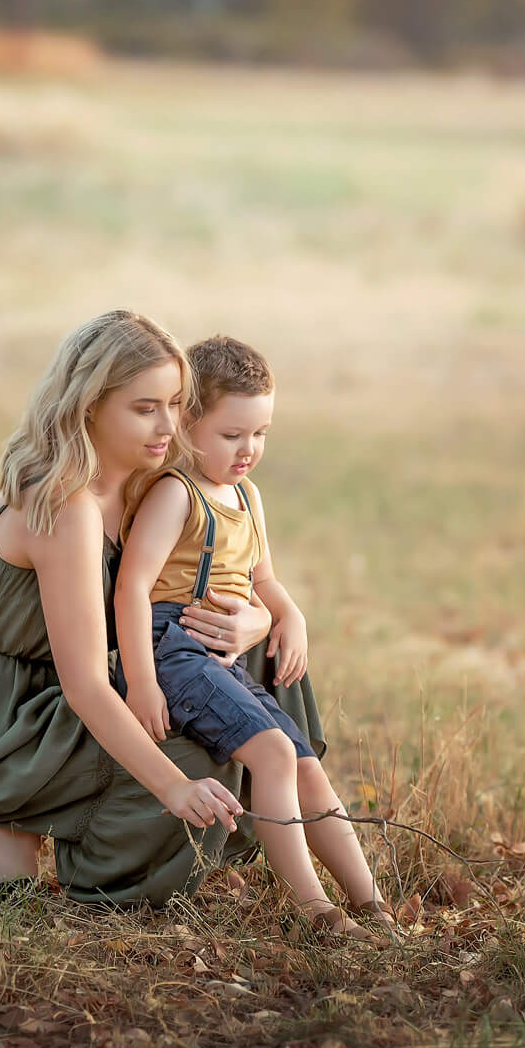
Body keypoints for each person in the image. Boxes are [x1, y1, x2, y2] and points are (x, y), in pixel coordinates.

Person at [0, 310, 320, 905]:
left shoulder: (146, 480)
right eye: (145, 408)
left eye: (176, 404)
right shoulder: (67, 507)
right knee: (195, 755)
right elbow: (84, 685)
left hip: (77, 684)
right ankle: (86, 862)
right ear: (88, 407)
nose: (169, 425)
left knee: (269, 668)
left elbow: (212, 584)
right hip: (5, 712)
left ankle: (250, 847)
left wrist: (263, 619)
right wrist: (174, 787)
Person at [115, 335, 396, 939]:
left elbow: (262, 578)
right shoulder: (176, 493)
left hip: (218, 658)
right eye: (231, 434)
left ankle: (371, 904)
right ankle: (315, 911)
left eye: (260, 433)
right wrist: (141, 682)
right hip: (172, 648)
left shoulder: (246, 495)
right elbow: (132, 587)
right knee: (273, 754)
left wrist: (290, 615)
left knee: (305, 765)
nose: (248, 449)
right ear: (188, 424)